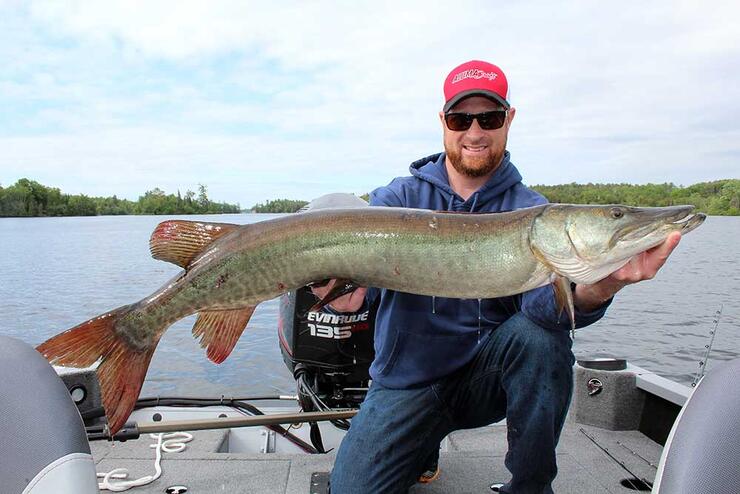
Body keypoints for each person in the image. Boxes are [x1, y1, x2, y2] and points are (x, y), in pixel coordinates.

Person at [314, 60, 682, 494]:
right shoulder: (398, 198)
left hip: (485, 380)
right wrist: (344, 295)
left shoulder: (532, 210)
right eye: (460, 118)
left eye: (488, 118)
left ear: (508, 120)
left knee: (542, 341)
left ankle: (529, 487)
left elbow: (542, 314)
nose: (474, 132)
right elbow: (363, 291)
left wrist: (601, 286)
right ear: (443, 123)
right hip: (406, 383)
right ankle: (419, 445)